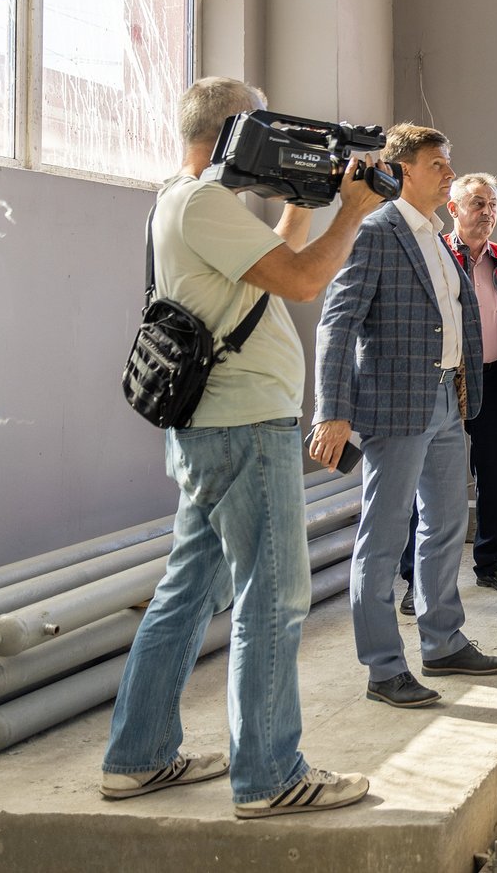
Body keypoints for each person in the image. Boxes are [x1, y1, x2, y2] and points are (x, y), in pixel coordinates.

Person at [101, 77, 373, 817]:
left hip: (217, 428)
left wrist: (298, 205)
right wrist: (349, 214)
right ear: (233, 132)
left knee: (189, 593)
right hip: (244, 429)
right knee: (274, 595)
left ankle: (139, 756)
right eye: (263, 127)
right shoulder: (202, 203)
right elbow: (307, 280)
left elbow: (266, 277)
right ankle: (270, 775)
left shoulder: (182, 201)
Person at [310, 124, 497, 710]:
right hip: (395, 406)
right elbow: (337, 322)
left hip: (447, 402)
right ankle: (382, 666)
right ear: (402, 171)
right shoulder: (377, 231)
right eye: (437, 164)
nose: (450, 173)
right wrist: (333, 411)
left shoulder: (437, 238)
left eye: (450, 163)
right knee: (383, 536)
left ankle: (442, 641)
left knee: (446, 526)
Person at [441, 173, 497, 594]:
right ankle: (413, 580)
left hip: (494, 378)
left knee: (495, 474)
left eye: (492, 204)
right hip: (444, 380)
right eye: (478, 204)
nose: (488, 212)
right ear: (453, 209)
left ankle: (491, 563)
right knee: (432, 479)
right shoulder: (435, 255)